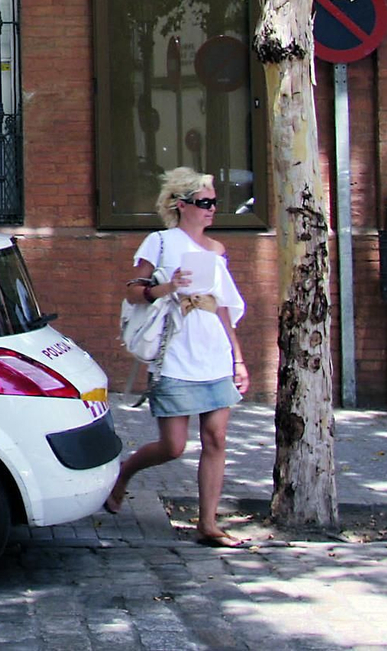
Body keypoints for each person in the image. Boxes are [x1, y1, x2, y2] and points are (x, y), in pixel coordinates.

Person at [104, 167, 250, 547]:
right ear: (181, 205)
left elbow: (223, 309)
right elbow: (134, 291)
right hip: (175, 354)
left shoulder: (217, 251)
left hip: (214, 352)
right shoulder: (161, 242)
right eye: (204, 202)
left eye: (215, 202)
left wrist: (238, 359)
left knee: (216, 437)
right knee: (173, 446)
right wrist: (167, 287)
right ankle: (124, 473)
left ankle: (208, 523)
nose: (212, 209)